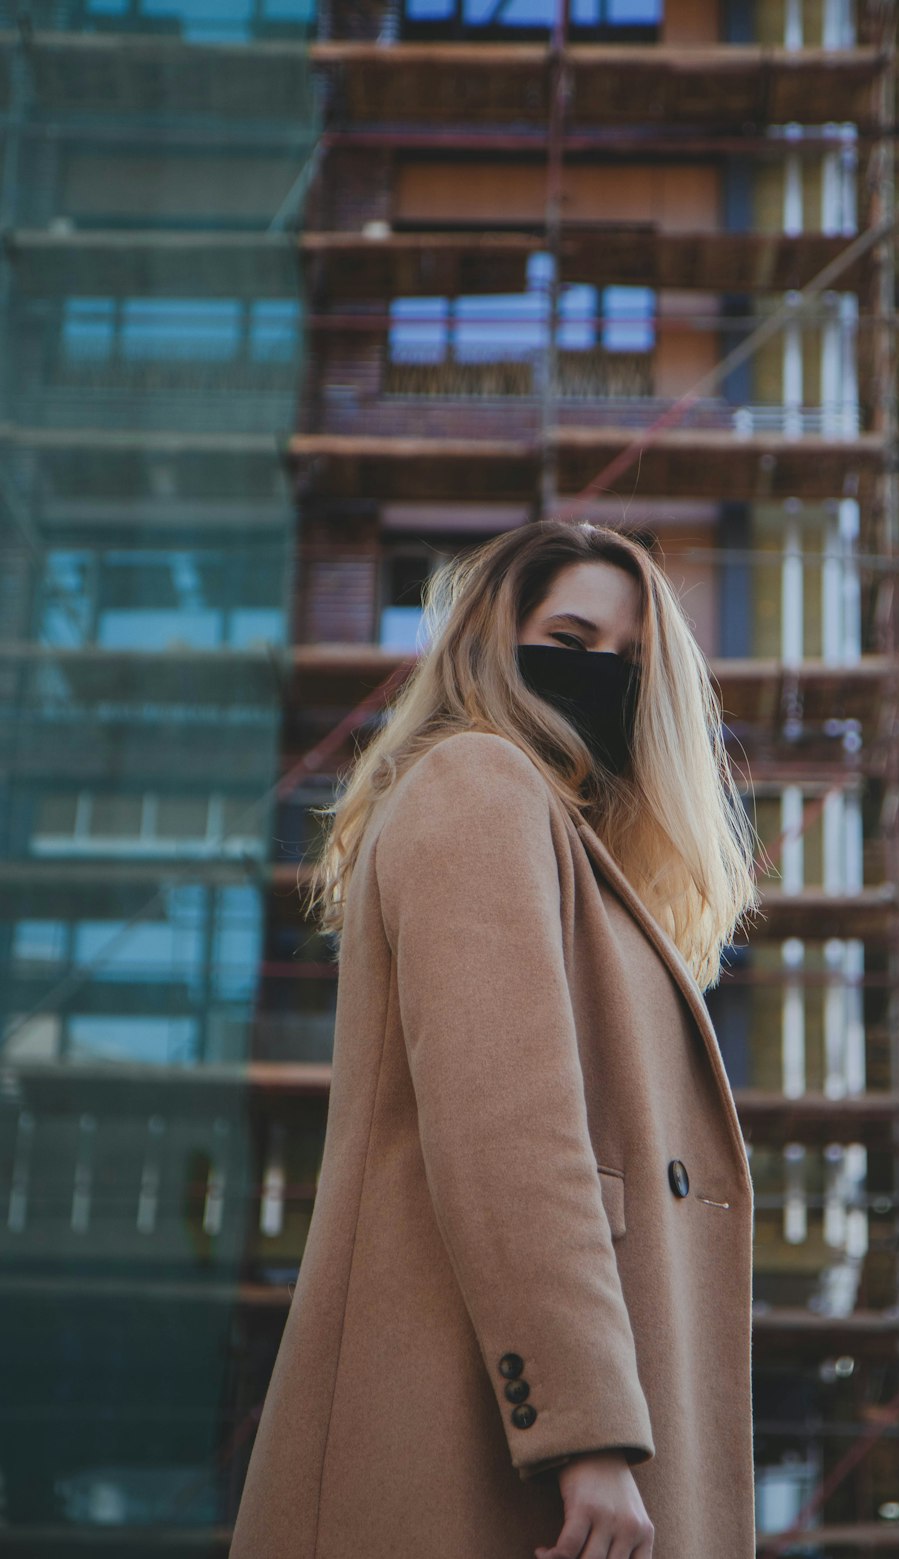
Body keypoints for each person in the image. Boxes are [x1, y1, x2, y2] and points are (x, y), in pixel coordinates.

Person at [228, 519, 761, 1559]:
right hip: (492, 1442)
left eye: (634, 663)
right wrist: (588, 1430)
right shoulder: (479, 781)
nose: (600, 673)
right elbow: (507, 1126)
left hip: (537, 1443)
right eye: (571, 635)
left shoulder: (571, 861)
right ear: (492, 641)